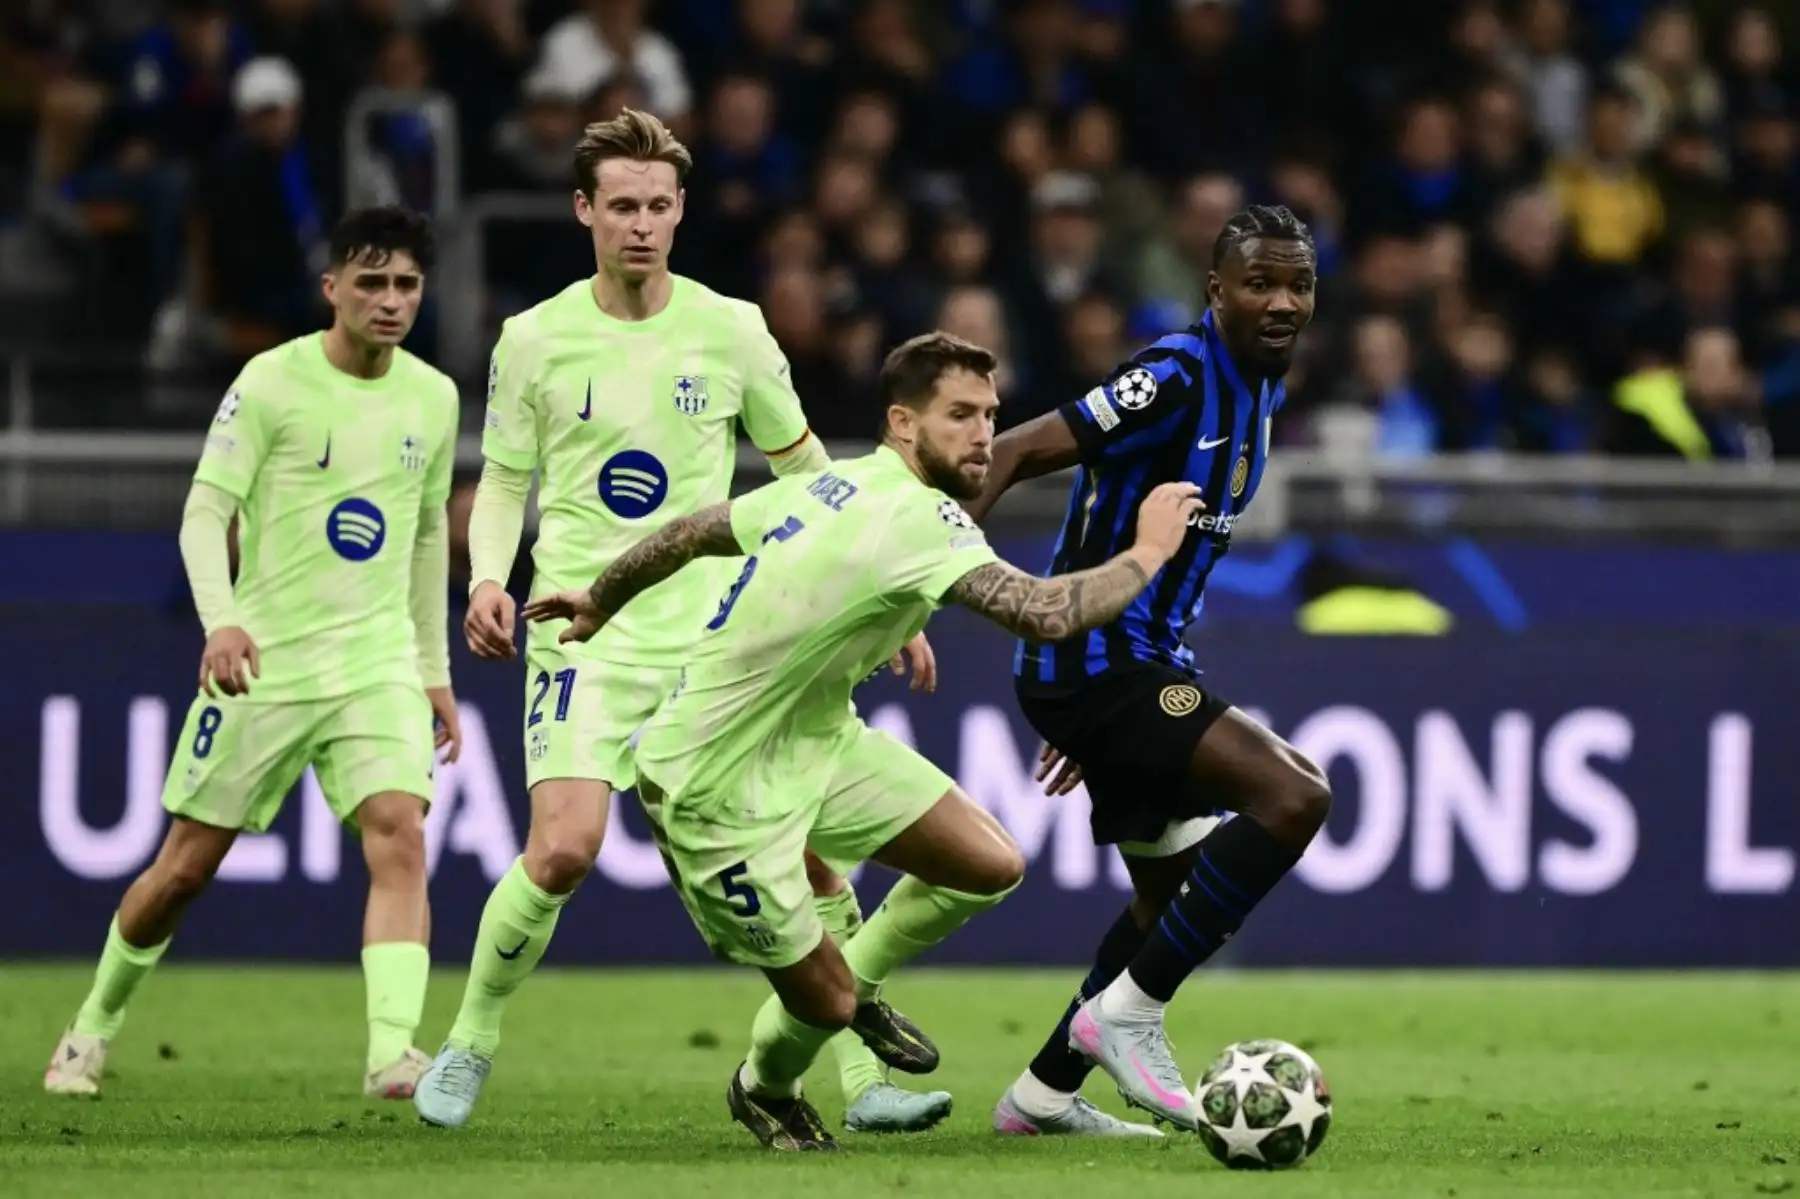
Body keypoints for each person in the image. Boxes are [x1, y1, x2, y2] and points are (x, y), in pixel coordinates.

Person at [524, 331, 1205, 1151]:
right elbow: (1043, 611)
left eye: (991, 413)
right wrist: (1149, 550)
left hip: (818, 741)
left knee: (989, 865)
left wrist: (601, 596)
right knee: (825, 1004)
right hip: (711, 783)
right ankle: (764, 1086)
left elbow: (695, 531)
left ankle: (862, 979)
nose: (984, 432)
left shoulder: (835, 483)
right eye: (959, 414)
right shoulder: (917, 520)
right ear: (903, 422)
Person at [414, 109, 944, 1133]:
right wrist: (486, 577)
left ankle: (861, 1081)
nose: (642, 225)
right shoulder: (534, 339)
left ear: (681, 209)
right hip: (583, 628)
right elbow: (506, 479)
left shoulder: (732, 327)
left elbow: (804, 472)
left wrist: (886, 579)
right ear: (585, 211)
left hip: (718, 641)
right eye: (622, 206)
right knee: (563, 847)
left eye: (659, 205)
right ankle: (469, 1038)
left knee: (803, 855)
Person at [45, 206, 462, 1100]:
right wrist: (222, 621)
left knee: (401, 833)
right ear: (333, 289)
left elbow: (428, 541)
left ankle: (393, 1051)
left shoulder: (433, 396)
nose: (391, 301)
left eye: (406, 285)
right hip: (268, 661)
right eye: (372, 283)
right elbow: (205, 513)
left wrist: (433, 671)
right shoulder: (271, 382)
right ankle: (89, 1029)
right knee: (183, 868)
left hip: (375, 662)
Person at [966, 205, 1335, 1134]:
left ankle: (1042, 1096)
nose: (1282, 301)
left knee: (1166, 905)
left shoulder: (1261, 391)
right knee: (1295, 796)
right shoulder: (1172, 375)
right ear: (1216, 291)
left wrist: (1124, 729)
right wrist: (919, 586)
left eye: (1297, 284)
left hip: (1134, 668)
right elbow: (1009, 452)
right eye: (1259, 283)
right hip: (1097, 661)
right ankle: (1125, 1015)